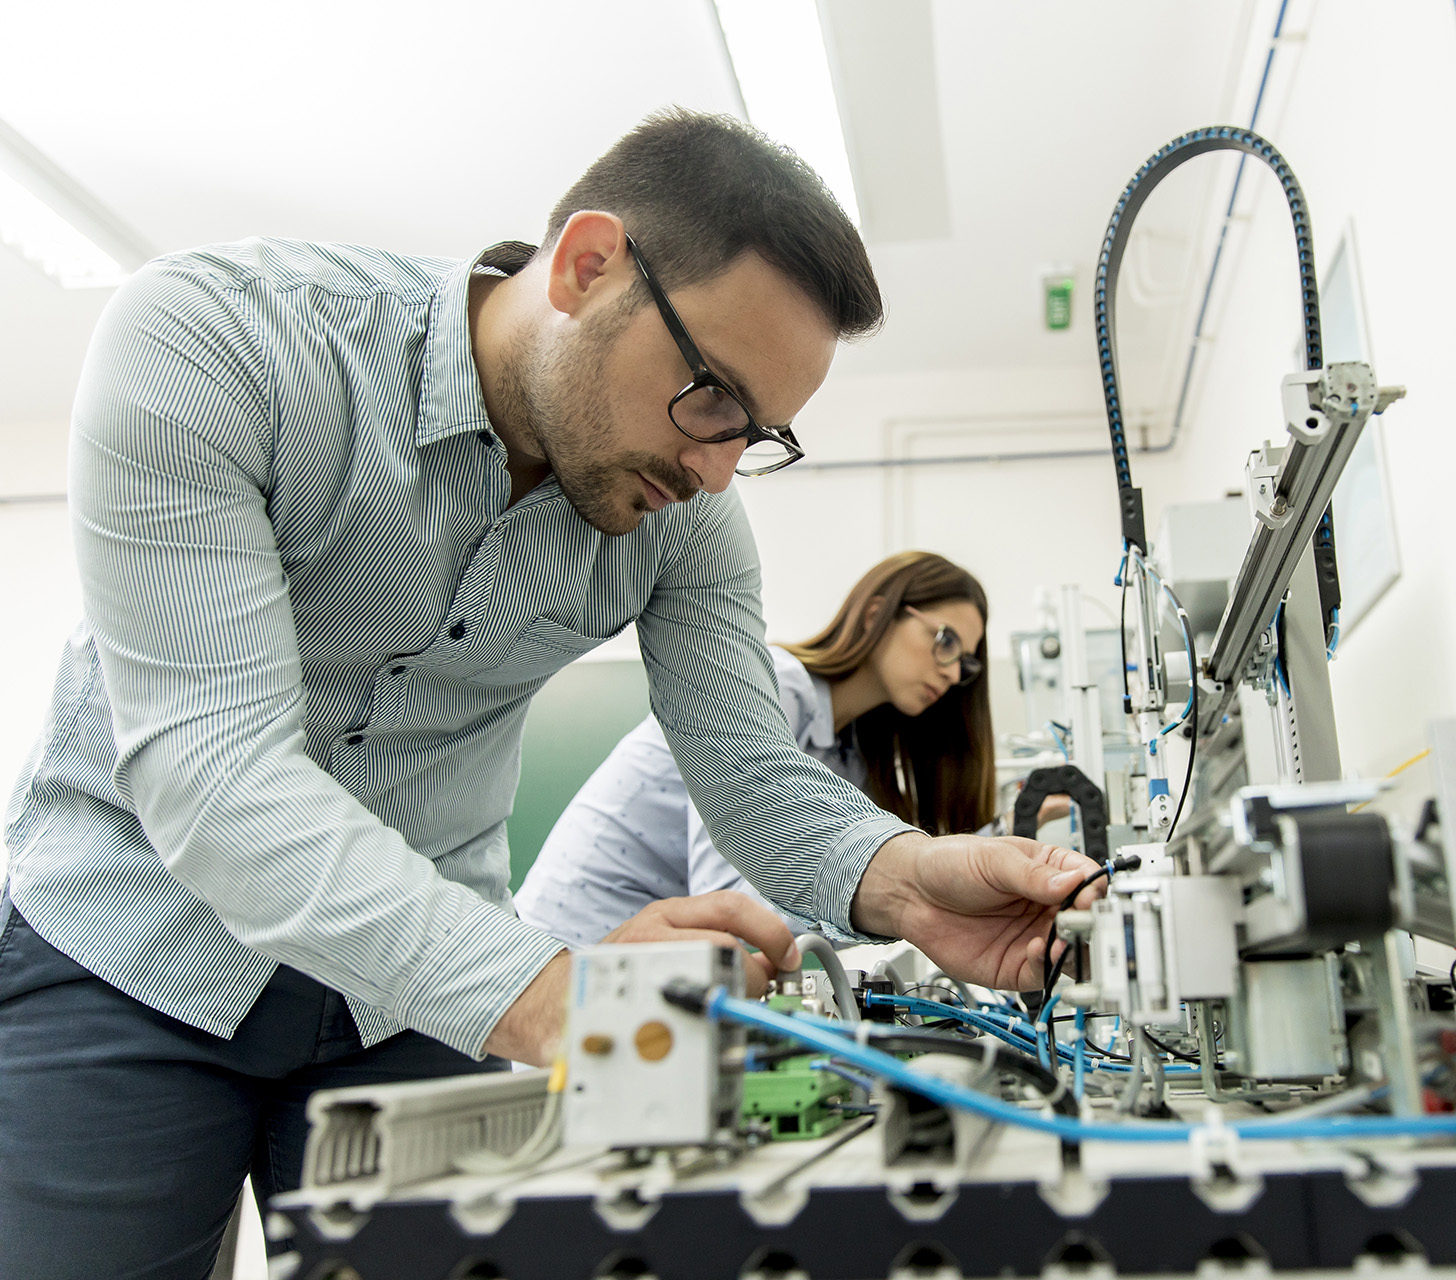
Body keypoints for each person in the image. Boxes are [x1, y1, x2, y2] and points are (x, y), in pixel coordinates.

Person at [0, 109, 1099, 1279]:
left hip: (404, 1006)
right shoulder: (222, 340)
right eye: (711, 394)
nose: (715, 468)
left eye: (759, 433)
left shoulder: (687, 518)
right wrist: (559, 996)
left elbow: (750, 770)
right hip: (128, 952)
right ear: (586, 266)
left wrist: (904, 880)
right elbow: (218, 780)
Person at [519, 550, 1072, 947]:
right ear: (878, 612)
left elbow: (863, 869)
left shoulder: (847, 757)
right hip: (574, 954)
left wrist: (1002, 837)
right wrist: (898, 909)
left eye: (967, 663)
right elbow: (736, 903)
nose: (953, 674)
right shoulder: (774, 688)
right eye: (945, 641)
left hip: (649, 973)